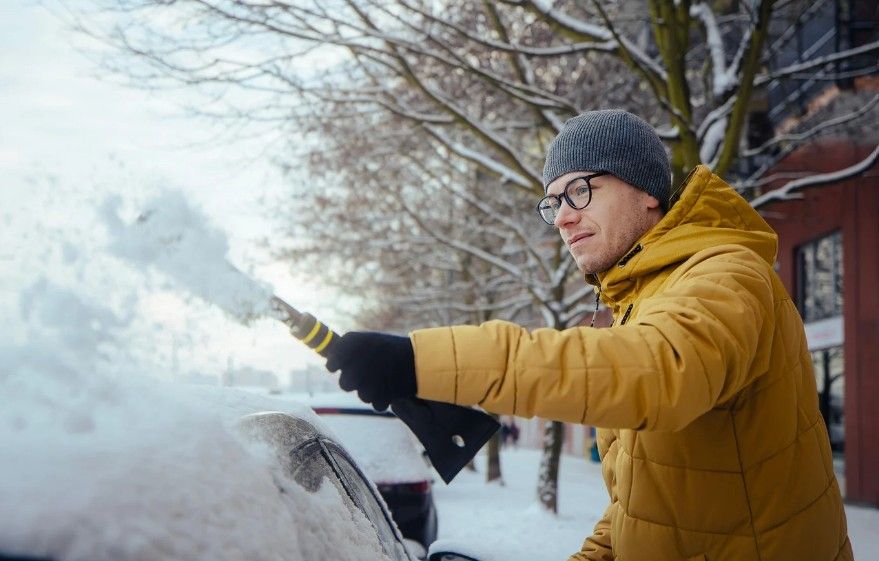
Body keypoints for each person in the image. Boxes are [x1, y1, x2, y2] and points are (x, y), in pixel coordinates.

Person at [324, 109, 853, 561]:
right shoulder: (641, 303)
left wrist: (422, 361)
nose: (563, 219)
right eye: (554, 203)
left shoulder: (726, 274)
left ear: (646, 190)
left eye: (580, 191)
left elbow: (658, 372)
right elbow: (643, 505)